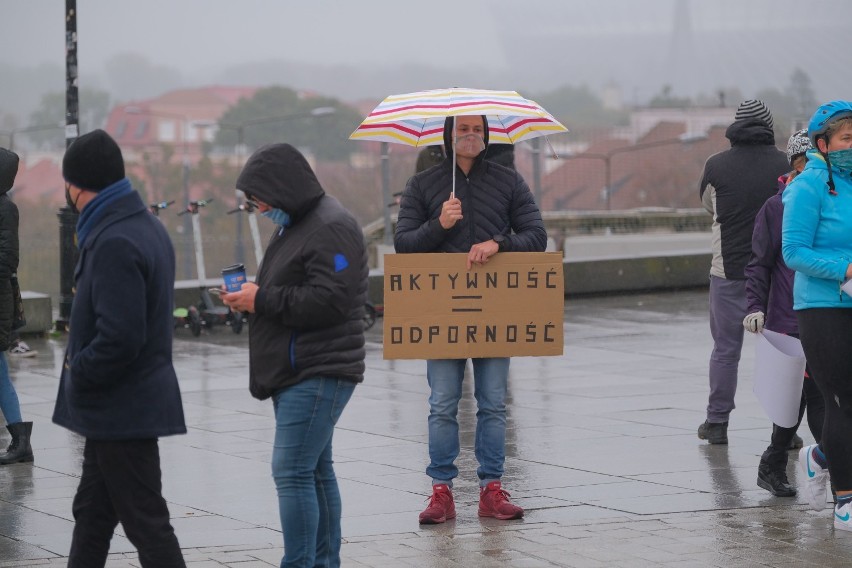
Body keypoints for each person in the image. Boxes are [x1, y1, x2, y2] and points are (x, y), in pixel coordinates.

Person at [221, 143, 368, 568]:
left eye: (259, 198)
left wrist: (261, 299)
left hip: (318, 369)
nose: (258, 207)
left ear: (281, 187)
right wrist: (251, 298)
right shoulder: (301, 223)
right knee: (315, 471)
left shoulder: (330, 226)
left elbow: (332, 299)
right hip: (298, 366)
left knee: (291, 472)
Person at [395, 115, 547, 524]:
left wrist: (498, 243)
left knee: (494, 404)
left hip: (495, 309)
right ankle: (441, 492)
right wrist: (438, 225)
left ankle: (491, 490)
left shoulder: (509, 181)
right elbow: (403, 244)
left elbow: (536, 235)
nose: (471, 135)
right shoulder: (423, 185)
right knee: (442, 404)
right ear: (448, 135)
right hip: (441, 311)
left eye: (478, 129)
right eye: (462, 129)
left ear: (487, 134)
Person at [52, 130, 187, 566]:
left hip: (122, 408)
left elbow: (120, 336)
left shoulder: (113, 240)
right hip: (123, 408)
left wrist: (78, 370)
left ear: (77, 186)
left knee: (147, 524)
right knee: (92, 515)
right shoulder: (143, 226)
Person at [697, 99, 789, 444]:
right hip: (776, 273)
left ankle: (717, 423)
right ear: (768, 128)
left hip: (729, 271)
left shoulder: (715, 165)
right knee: (783, 350)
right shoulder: (785, 163)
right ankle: (786, 427)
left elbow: (709, 204)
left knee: (725, 348)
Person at [782, 100, 852, 531]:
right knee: (842, 402)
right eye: (847, 139)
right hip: (822, 307)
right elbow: (794, 252)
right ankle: (846, 500)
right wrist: (844, 268)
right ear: (822, 144)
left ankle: (821, 455)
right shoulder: (807, 187)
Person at [743, 129, 825, 497]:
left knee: (821, 395)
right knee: (795, 399)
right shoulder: (775, 208)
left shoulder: (832, 201)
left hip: (826, 314)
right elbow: (759, 263)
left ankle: (828, 465)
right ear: (796, 164)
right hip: (788, 319)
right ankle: (778, 462)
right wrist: (755, 306)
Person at [0, 148, 32, 465]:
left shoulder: (6, 209)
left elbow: (8, 259)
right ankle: (21, 442)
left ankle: (22, 443)